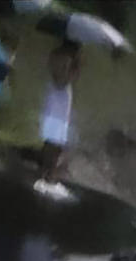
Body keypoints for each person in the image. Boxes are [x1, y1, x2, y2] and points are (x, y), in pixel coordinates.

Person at [38, 39, 79, 180]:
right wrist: (74, 70)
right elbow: (63, 80)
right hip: (60, 105)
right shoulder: (68, 59)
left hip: (52, 101)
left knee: (49, 143)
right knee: (56, 145)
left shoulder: (54, 54)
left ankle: (45, 171)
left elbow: (52, 71)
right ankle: (50, 175)